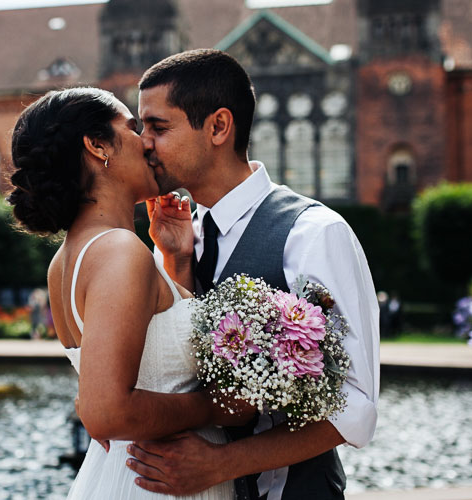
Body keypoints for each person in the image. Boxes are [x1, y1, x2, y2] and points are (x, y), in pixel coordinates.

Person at [134, 49, 379, 499]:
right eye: (141, 128)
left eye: (158, 127)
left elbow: (355, 407)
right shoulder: (181, 236)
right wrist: (179, 264)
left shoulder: (315, 233)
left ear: (218, 127)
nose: (143, 143)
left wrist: (219, 465)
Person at [6, 86, 249, 499]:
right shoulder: (119, 251)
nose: (149, 143)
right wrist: (223, 407)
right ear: (98, 146)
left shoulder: (68, 259)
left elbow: (153, 353)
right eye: (134, 128)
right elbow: (106, 411)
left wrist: (178, 263)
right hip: (155, 482)